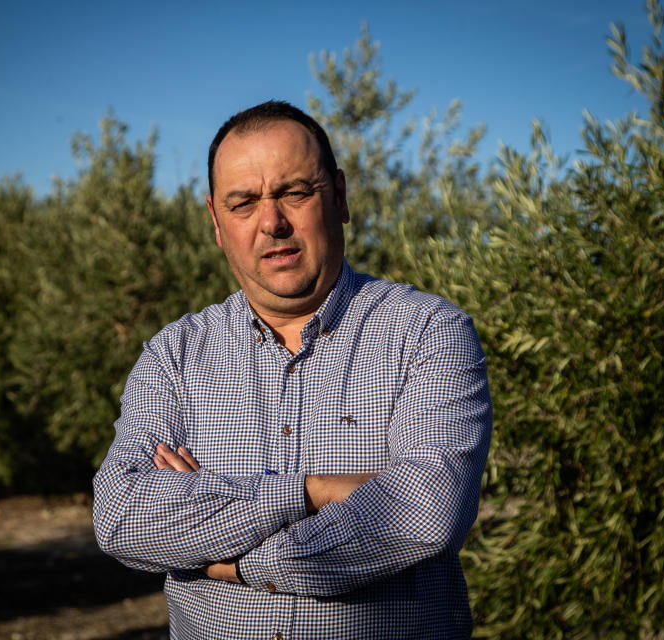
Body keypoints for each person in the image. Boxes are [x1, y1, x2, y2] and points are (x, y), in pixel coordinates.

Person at [93, 100, 492, 639]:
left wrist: (238, 559)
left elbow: (427, 512)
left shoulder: (427, 333)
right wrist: (310, 492)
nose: (271, 222)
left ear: (341, 196)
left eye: (294, 193)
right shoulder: (175, 356)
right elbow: (120, 518)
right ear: (216, 222)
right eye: (243, 203)